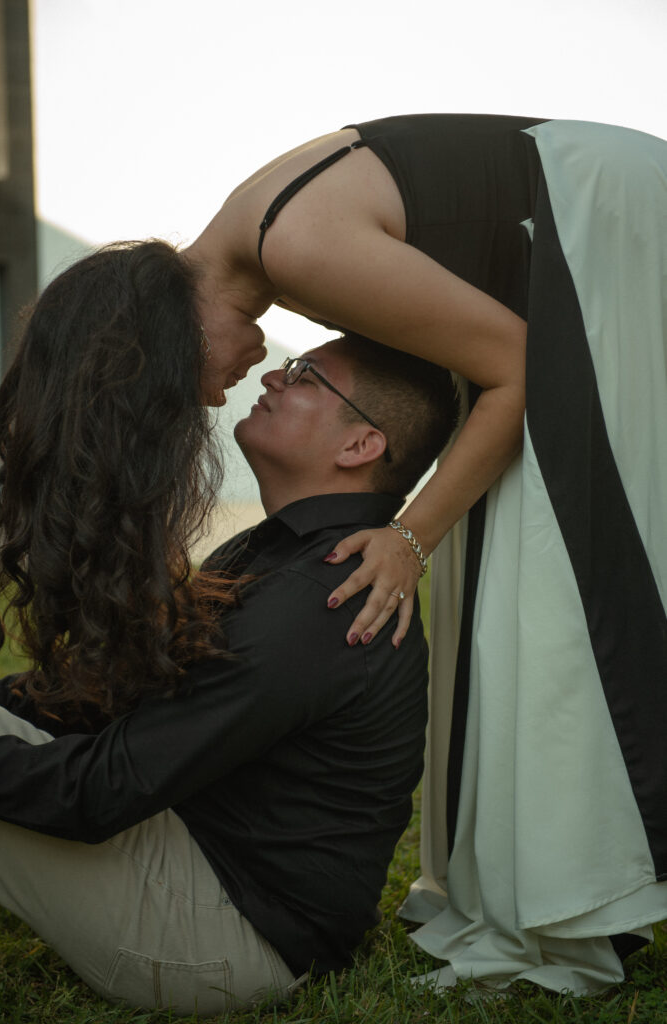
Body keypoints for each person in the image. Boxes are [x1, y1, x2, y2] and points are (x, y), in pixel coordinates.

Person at [178, 113, 667, 994]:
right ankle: (518, 887)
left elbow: (519, 366)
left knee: (552, 575)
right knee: (502, 551)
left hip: (598, 222)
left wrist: (410, 536)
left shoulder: (296, 249)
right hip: (560, 237)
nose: (219, 392)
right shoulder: (263, 240)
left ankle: (574, 901)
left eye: (190, 377)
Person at [0, 333, 460, 1016]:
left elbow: (97, 794)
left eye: (305, 375)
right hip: (194, 864)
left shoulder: (325, 601)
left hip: (229, 939)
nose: (271, 377)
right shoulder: (278, 551)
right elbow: (112, 698)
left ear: (360, 446)